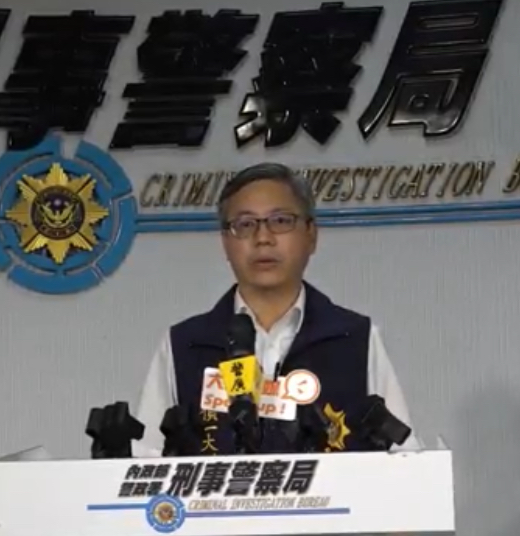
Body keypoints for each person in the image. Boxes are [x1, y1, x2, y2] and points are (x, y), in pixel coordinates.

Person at [134, 162, 420, 456]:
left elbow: (404, 458)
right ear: (225, 242)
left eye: (281, 221)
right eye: (246, 224)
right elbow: (143, 461)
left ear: (311, 235)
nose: (263, 238)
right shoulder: (185, 345)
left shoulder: (355, 338)